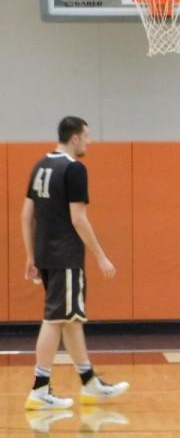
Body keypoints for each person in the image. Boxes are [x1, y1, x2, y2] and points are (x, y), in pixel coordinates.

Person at [22, 116, 130, 411]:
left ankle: (89, 382)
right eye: (87, 136)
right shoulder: (74, 169)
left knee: (71, 320)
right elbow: (79, 218)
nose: (90, 141)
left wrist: (31, 255)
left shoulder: (41, 165)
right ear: (75, 138)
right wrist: (101, 255)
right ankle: (40, 388)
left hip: (45, 255)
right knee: (55, 319)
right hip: (65, 256)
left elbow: (27, 213)